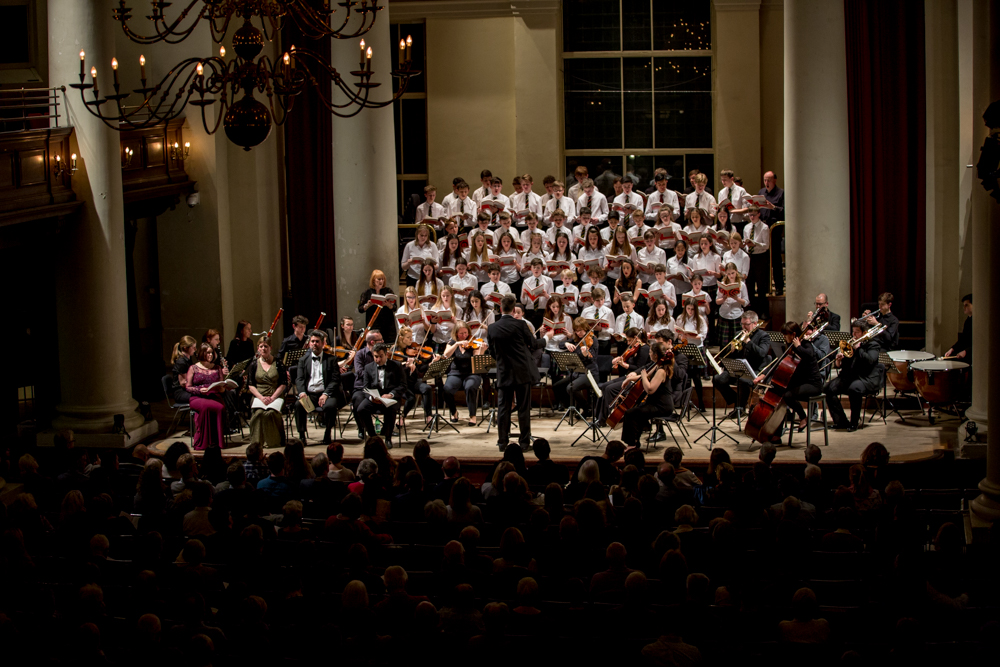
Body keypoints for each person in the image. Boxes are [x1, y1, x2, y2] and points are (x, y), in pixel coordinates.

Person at [487, 294, 543, 451]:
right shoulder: (520, 325)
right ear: (513, 309)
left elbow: (492, 351)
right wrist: (546, 339)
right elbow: (533, 344)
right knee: (523, 408)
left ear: (500, 307)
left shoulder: (492, 327)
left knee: (503, 408)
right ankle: (524, 443)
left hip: (504, 371)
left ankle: (502, 442)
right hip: (522, 372)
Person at [755, 322, 823, 436]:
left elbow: (809, 355)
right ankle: (775, 433)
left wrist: (798, 346)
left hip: (813, 384)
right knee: (780, 393)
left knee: (788, 395)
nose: (784, 337)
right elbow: (778, 362)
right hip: (800, 382)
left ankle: (803, 417)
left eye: (785, 335)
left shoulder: (806, 344)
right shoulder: (789, 346)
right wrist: (764, 376)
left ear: (793, 334)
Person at [824, 319, 883, 431]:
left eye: (857, 332)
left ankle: (854, 423)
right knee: (828, 388)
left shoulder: (873, 345)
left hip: (866, 378)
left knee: (854, 389)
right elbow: (845, 366)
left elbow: (870, 361)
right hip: (851, 377)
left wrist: (858, 348)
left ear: (864, 333)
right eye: (853, 332)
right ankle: (841, 421)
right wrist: (839, 361)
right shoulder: (850, 344)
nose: (853, 335)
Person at [713, 310, 769, 418]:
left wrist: (748, 342)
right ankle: (736, 401)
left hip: (753, 370)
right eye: (742, 324)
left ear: (755, 324)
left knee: (742, 380)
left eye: (746, 324)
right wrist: (732, 350)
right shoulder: (738, 334)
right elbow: (731, 355)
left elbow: (762, 353)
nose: (743, 327)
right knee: (717, 379)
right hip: (738, 368)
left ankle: (740, 408)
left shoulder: (763, 336)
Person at [619, 342, 675, 447]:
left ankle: (632, 444)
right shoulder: (657, 365)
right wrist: (630, 378)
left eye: (650, 352)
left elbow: (650, 389)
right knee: (635, 411)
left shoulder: (661, 371)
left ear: (655, 355)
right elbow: (644, 376)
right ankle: (635, 441)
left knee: (630, 414)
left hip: (661, 406)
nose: (649, 354)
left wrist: (644, 376)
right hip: (654, 403)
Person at [294, 330, 342, 444]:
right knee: (298, 405)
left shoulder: (331, 359)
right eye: (312, 341)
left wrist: (326, 394)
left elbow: (335, 380)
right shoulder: (303, 360)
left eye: (317, 342)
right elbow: (299, 379)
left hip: (325, 394)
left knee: (330, 406)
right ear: (309, 343)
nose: (314, 344)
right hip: (309, 395)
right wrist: (302, 393)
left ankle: (327, 432)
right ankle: (302, 435)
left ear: (323, 343)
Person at [355, 343, 406, 446]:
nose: (378, 359)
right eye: (375, 356)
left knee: (391, 409)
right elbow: (365, 387)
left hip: (391, 398)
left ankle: (388, 438)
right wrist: (371, 397)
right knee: (361, 409)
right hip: (375, 398)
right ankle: (373, 437)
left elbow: (403, 385)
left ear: (386, 354)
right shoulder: (368, 367)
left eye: (380, 356)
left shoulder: (396, 366)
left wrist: (391, 395)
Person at [440, 321, 485, 426]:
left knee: (470, 387)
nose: (464, 335)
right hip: (456, 373)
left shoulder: (473, 342)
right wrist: (456, 344)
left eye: (466, 333)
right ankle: (454, 412)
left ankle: (472, 416)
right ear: (456, 334)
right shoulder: (452, 343)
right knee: (446, 389)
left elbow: (477, 359)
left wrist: (482, 350)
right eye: (461, 334)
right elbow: (445, 355)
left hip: (472, 373)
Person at [185, 343, 229, 450]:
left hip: (214, 396)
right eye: (208, 352)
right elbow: (188, 387)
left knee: (220, 407)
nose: (210, 355)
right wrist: (199, 390)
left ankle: (217, 442)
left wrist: (222, 388)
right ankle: (203, 442)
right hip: (198, 397)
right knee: (205, 407)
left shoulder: (218, 367)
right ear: (202, 353)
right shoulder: (193, 368)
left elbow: (221, 385)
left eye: (211, 352)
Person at [246, 336, 287, 449]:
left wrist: (272, 398)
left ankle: (273, 442)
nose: (263, 349)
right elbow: (251, 385)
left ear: (270, 348)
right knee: (259, 414)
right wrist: (261, 397)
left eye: (266, 346)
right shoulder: (254, 364)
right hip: (259, 397)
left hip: (275, 395)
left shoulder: (278, 363)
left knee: (270, 413)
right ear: (258, 348)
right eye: (261, 346)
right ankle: (257, 443)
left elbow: (283, 383)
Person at [552, 317, 599, 413]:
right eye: (576, 331)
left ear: (586, 328)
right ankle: (572, 406)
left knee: (571, 388)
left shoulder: (593, 340)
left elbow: (593, 358)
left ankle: (587, 409)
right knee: (557, 386)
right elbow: (561, 344)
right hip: (577, 373)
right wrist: (566, 344)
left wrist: (586, 354)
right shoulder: (576, 339)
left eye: (580, 330)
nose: (579, 333)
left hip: (589, 373)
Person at [758, 171, 785, 293]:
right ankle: (764, 286)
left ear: (775, 180)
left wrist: (772, 207)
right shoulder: (761, 192)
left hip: (774, 230)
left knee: (776, 260)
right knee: (763, 260)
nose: (766, 183)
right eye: (765, 180)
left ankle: (779, 287)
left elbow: (784, 211)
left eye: (769, 180)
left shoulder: (781, 193)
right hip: (762, 229)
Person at [742, 206, 771, 317]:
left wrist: (755, 244)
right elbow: (745, 245)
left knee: (761, 285)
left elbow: (766, 246)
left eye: (754, 214)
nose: (752, 217)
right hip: (750, 257)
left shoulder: (764, 227)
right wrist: (745, 245)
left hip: (761, 257)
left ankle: (762, 311)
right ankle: (752, 311)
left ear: (759, 214)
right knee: (749, 284)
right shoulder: (747, 227)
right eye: (750, 215)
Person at [358, 269, 398, 344]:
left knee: (389, 344)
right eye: (379, 279)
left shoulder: (388, 291)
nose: (381, 281)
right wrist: (368, 305)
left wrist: (388, 305)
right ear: (373, 280)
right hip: (374, 323)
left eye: (382, 279)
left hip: (388, 324)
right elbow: (360, 309)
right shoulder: (367, 292)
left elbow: (395, 307)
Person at [715, 262, 749, 349]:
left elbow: (746, 302)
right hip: (724, 315)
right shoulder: (723, 284)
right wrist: (723, 298)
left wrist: (737, 298)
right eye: (729, 273)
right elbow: (717, 301)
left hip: (736, 315)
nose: (731, 275)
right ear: (726, 273)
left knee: (737, 342)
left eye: (733, 273)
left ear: (736, 271)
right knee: (724, 344)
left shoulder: (742, 285)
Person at [945, 293, 973, 369]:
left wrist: (966, 352)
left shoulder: (978, 322)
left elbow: (979, 343)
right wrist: (952, 349)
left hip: (973, 354)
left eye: (967, 305)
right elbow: (963, 339)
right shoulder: (968, 321)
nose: (964, 307)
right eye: (964, 305)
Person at [169, 335, 198, 406]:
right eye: (193, 347)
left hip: (186, 390)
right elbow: (183, 383)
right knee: (201, 397)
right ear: (185, 348)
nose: (195, 349)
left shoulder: (188, 360)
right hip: (180, 393)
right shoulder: (181, 362)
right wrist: (198, 388)